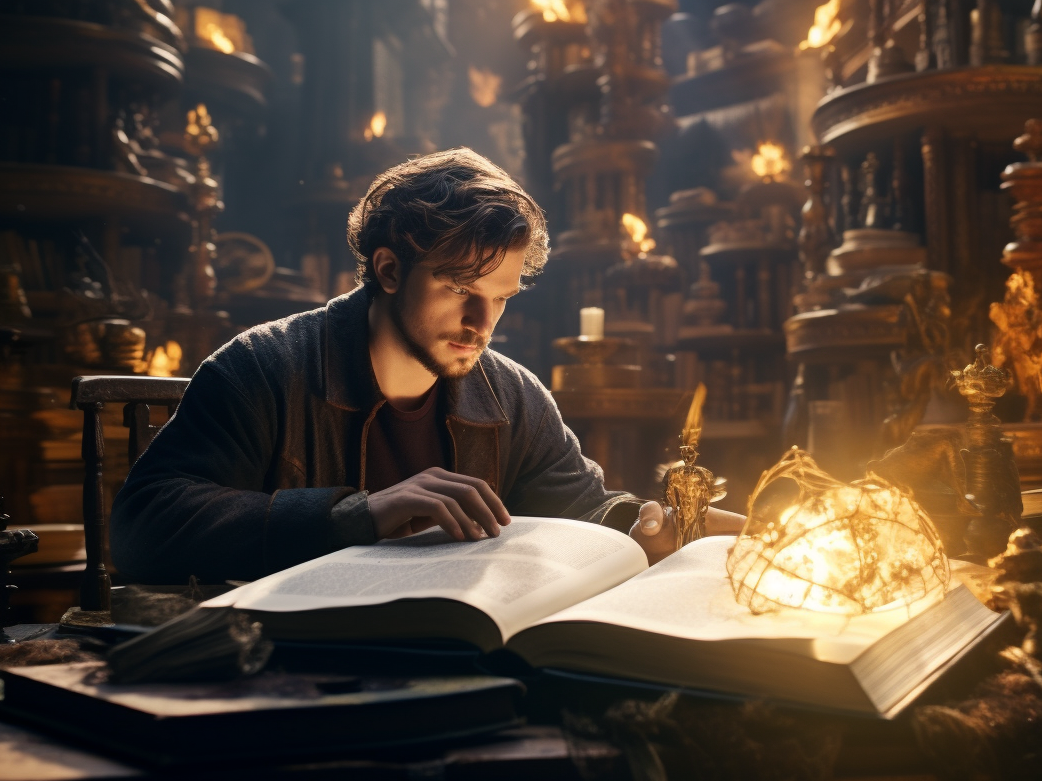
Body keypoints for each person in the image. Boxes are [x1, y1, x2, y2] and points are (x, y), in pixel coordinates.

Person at [111, 148, 743, 584]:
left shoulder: (512, 397)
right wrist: (358, 513)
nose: (482, 322)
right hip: (277, 671)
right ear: (389, 270)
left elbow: (581, 506)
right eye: (459, 287)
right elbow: (143, 529)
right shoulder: (263, 370)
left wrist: (652, 524)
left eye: (499, 296)